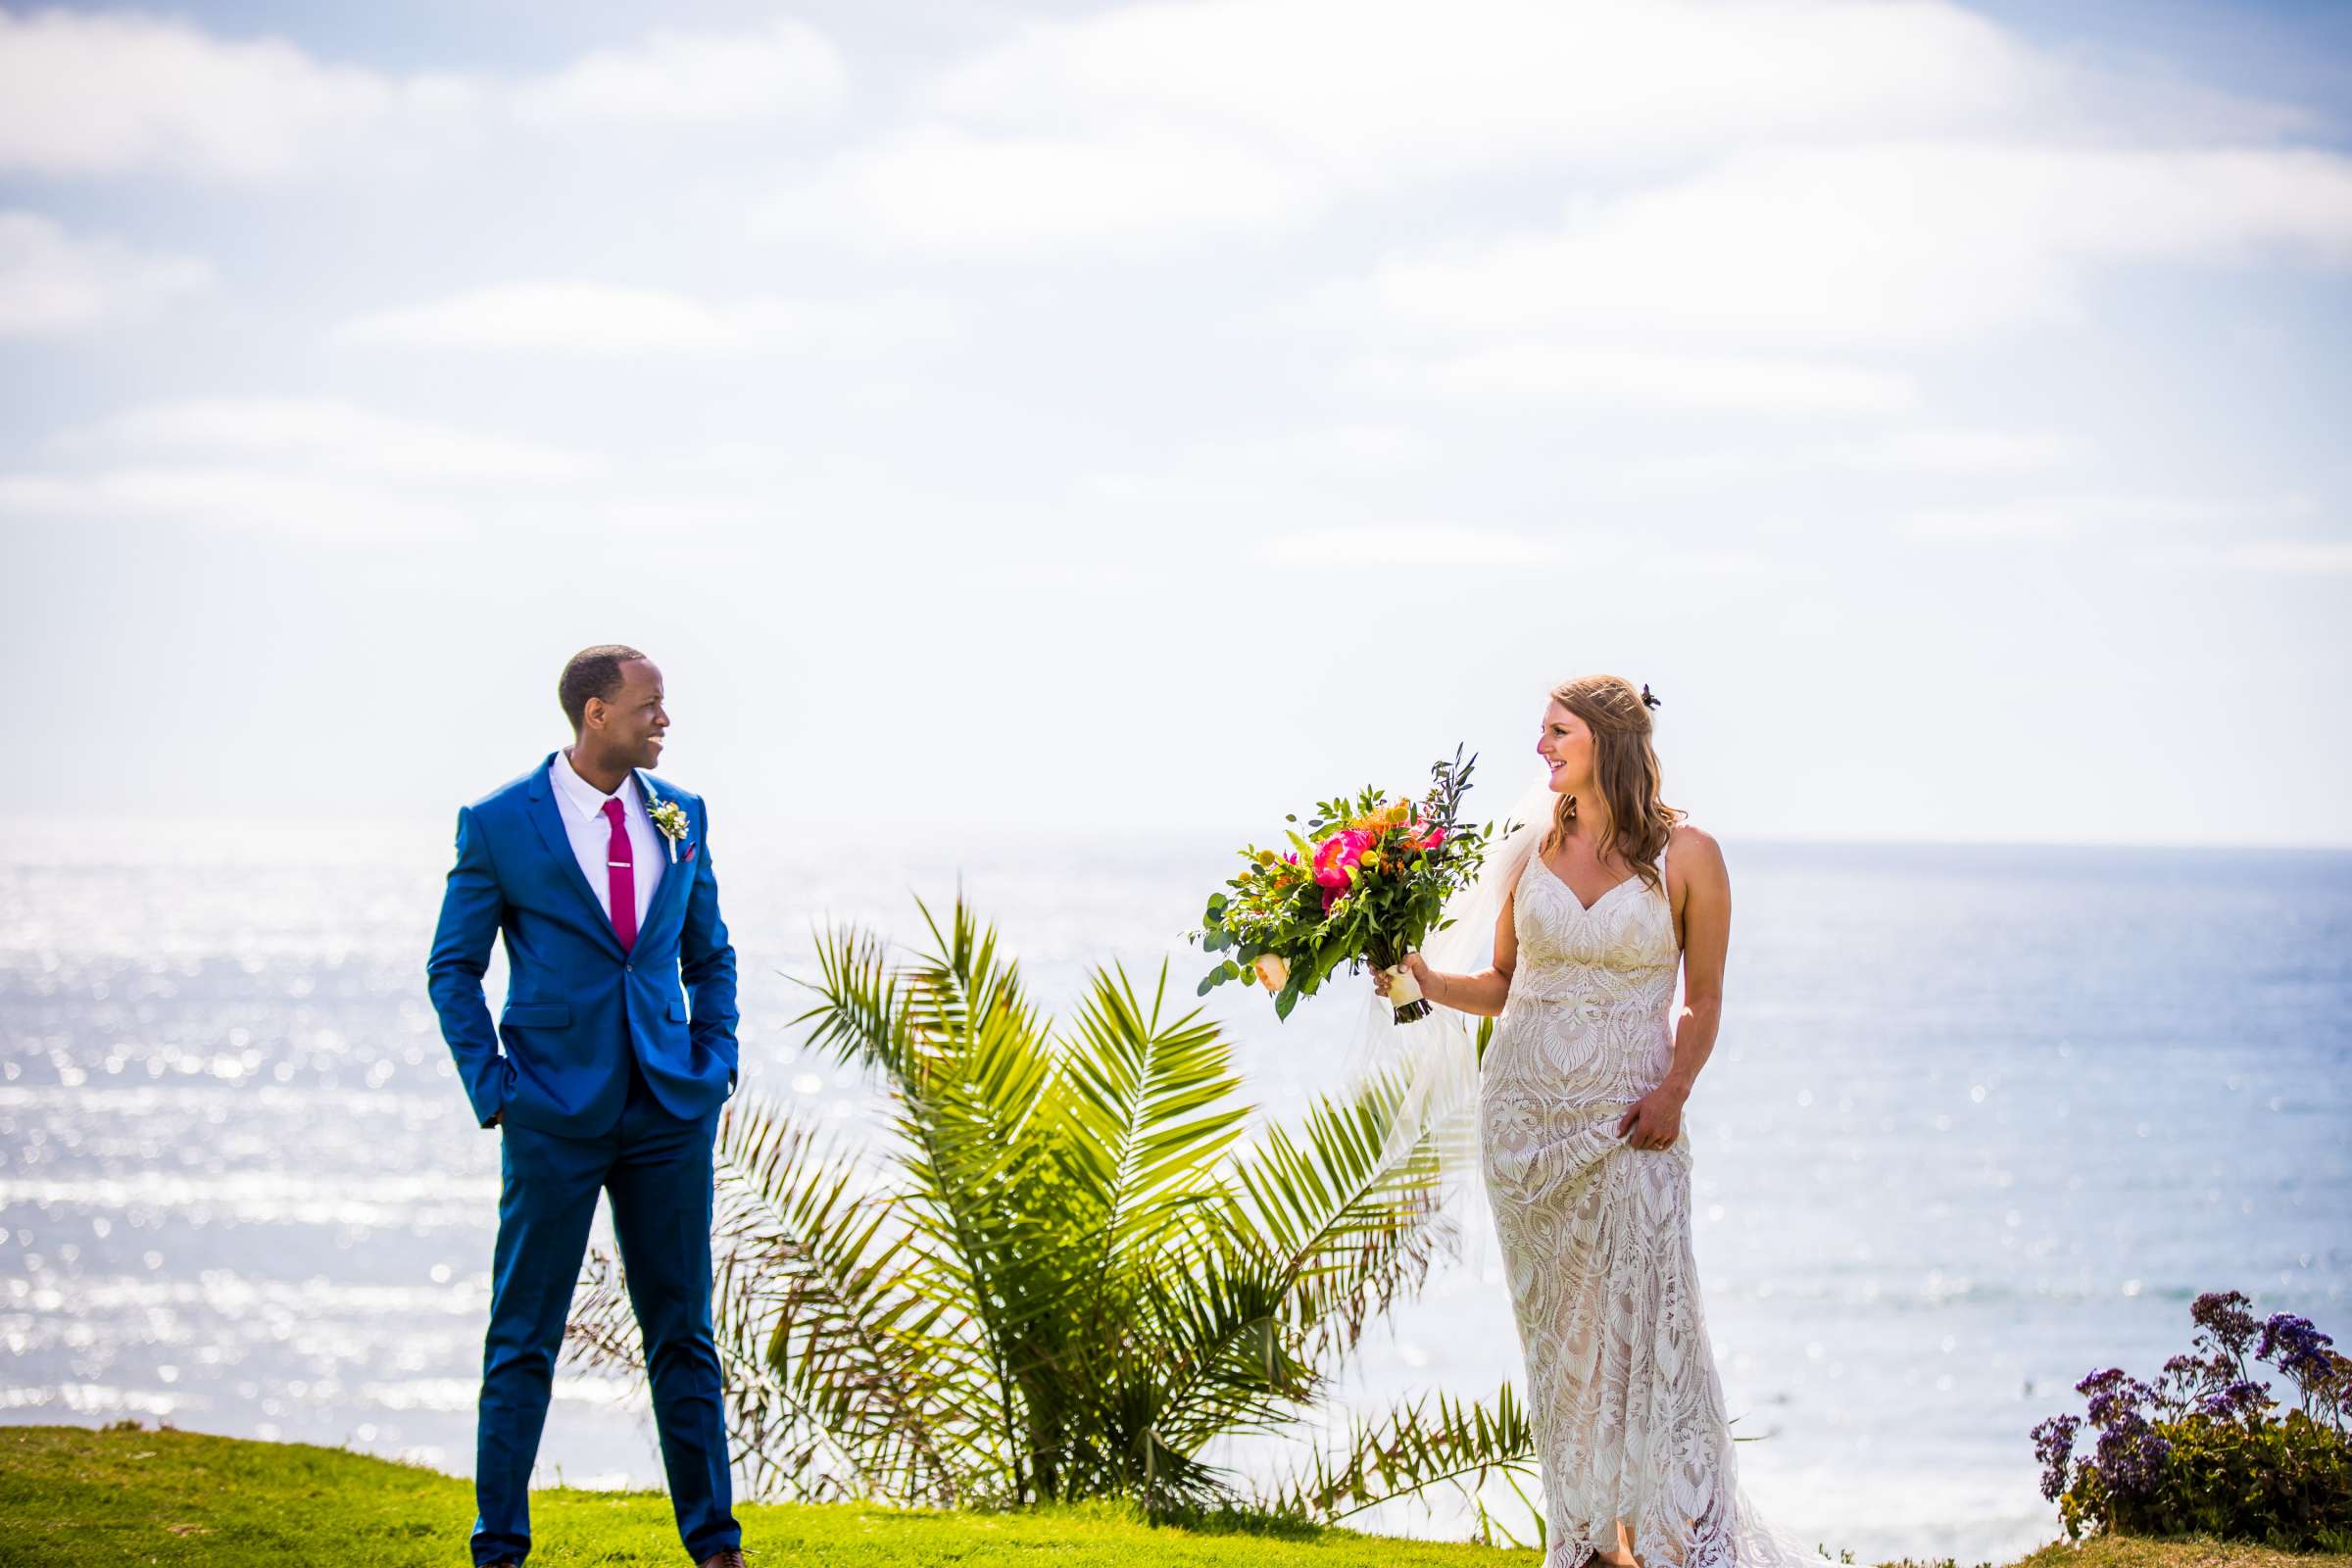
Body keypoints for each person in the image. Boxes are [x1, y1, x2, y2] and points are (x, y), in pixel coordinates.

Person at [1378, 674, 1826, 1568]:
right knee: (1565, 1342)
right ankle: (1590, 1543)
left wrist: (1676, 1091)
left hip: (1634, 1123)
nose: (1541, 749)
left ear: (1608, 741)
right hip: (1526, 1130)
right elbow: (1504, 986)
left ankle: (1674, 1538)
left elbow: (1703, 999)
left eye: (1557, 732)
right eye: (1542, 734)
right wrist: (1425, 980)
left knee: (1657, 1324)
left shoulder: (1690, 855)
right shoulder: (1528, 848)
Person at [426, 644, 746, 1568]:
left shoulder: (681, 816)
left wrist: (713, 1060)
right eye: (650, 705)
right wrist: (494, 1087)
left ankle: (716, 1547)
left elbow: (708, 953)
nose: (665, 720)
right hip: (551, 1113)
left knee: (683, 1332)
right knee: (523, 1334)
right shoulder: (498, 824)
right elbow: (455, 966)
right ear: (595, 713)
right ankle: (499, 1547)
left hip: (667, 1110)